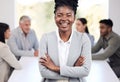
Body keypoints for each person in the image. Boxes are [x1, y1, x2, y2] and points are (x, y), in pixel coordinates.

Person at [39, 0, 91, 82]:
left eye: (68, 15)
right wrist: (74, 70)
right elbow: (43, 72)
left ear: (74, 17)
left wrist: (54, 67)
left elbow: (85, 71)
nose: (64, 19)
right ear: (55, 17)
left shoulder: (83, 39)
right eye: (59, 15)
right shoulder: (46, 38)